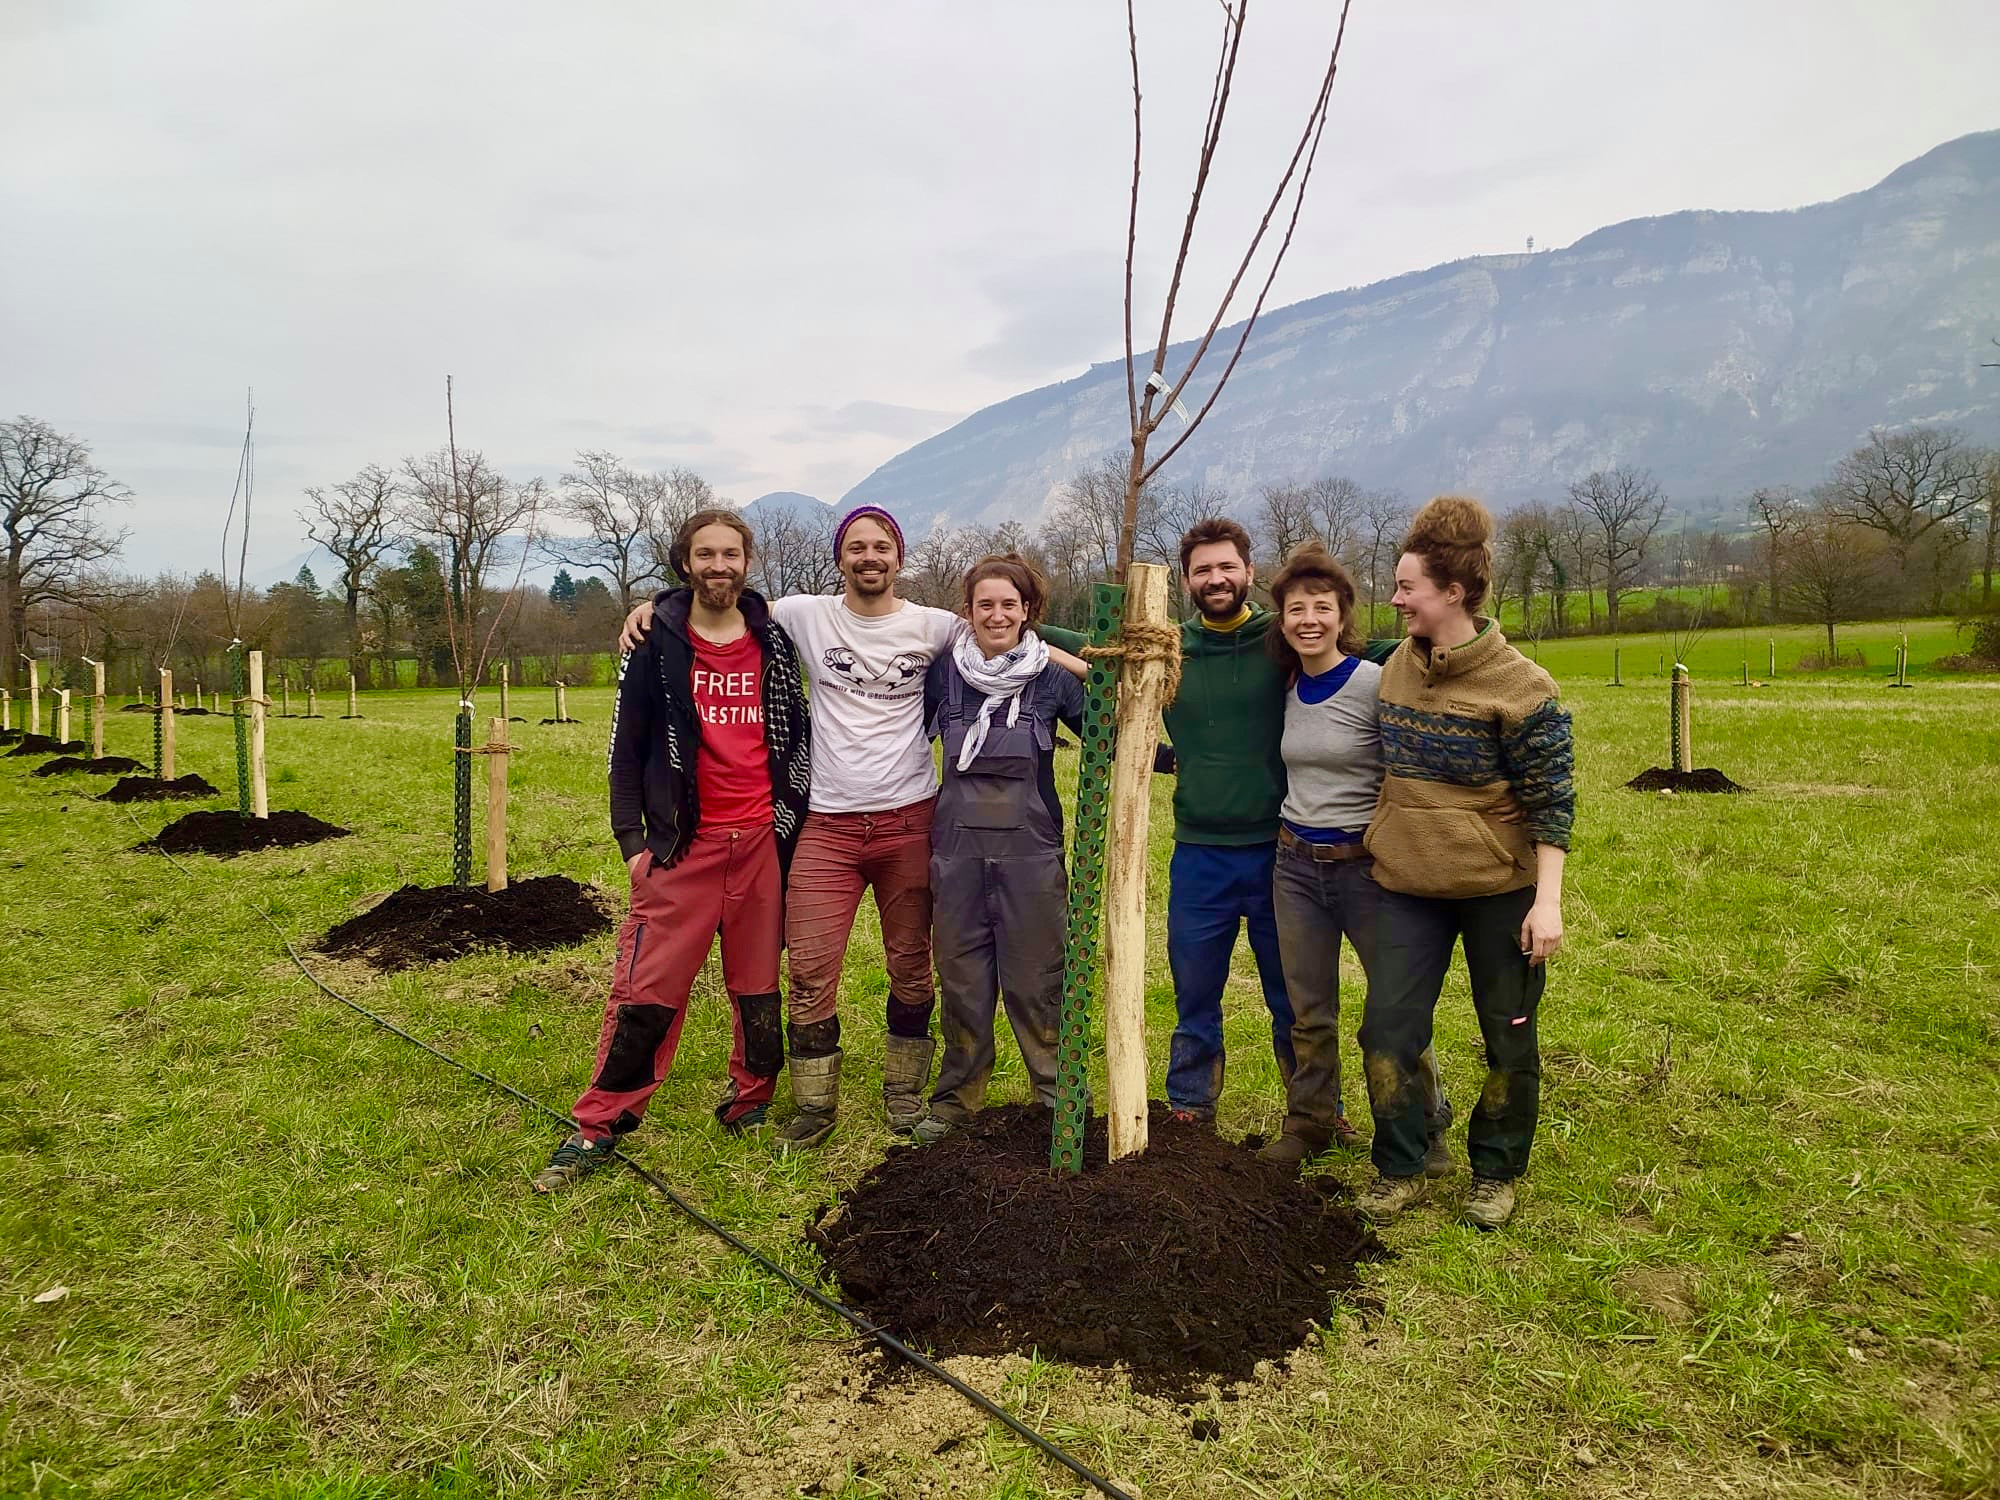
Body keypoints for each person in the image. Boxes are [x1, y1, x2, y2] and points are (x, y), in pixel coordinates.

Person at [618, 506, 1084, 1150]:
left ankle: (904, 1095)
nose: (870, 557)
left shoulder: (936, 626)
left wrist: (1082, 657)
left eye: (882, 546)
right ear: (841, 558)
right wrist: (654, 608)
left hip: (911, 820)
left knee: (914, 968)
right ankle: (814, 1107)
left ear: (900, 557)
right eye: (857, 547)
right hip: (827, 826)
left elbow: (1012, 629)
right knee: (810, 967)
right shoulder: (804, 615)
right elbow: (726, 601)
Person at [533, 510, 810, 1192]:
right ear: (684, 562)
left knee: (758, 985)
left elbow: (796, 736)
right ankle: (601, 1123)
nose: (720, 565)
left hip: (760, 844)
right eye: (706, 554)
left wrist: (788, 829)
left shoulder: (773, 640)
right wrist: (633, 843)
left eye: (732, 554)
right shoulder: (657, 642)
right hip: (682, 847)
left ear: (748, 561)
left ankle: (752, 1100)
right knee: (647, 991)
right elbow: (624, 753)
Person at [1356, 496, 1574, 1230]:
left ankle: (1496, 1171)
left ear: (1453, 592)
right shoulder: (1392, 667)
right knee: (1387, 1030)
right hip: (1405, 887)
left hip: (1497, 892)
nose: (1395, 598)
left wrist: (1547, 903)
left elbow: (1551, 803)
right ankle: (1402, 1164)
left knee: (1507, 1034)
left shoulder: (1523, 688)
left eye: (1407, 587)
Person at [1251, 544, 1453, 1172]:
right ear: (1281, 620)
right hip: (1295, 869)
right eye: (1295, 609)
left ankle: (1426, 1126)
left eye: (1322, 608)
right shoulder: (1282, 688)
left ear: (1343, 615)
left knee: (1394, 1005)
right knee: (1308, 1008)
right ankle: (1310, 1120)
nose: (1308, 619)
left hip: (1367, 869)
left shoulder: (1375, 682)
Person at [911, 554, 1086, 1143]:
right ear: (968, 611)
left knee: (1038, 981)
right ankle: (957, 1099)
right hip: (956, 854)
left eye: (1009, 604)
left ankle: (1058, 1096)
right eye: (985, 603)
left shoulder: (1053, 677)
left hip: (1031, 857)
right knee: (961, 981)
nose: (997, 614)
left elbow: (1108, 731)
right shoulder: (943, 674)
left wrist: (1171, 759)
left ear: (1027, 611)